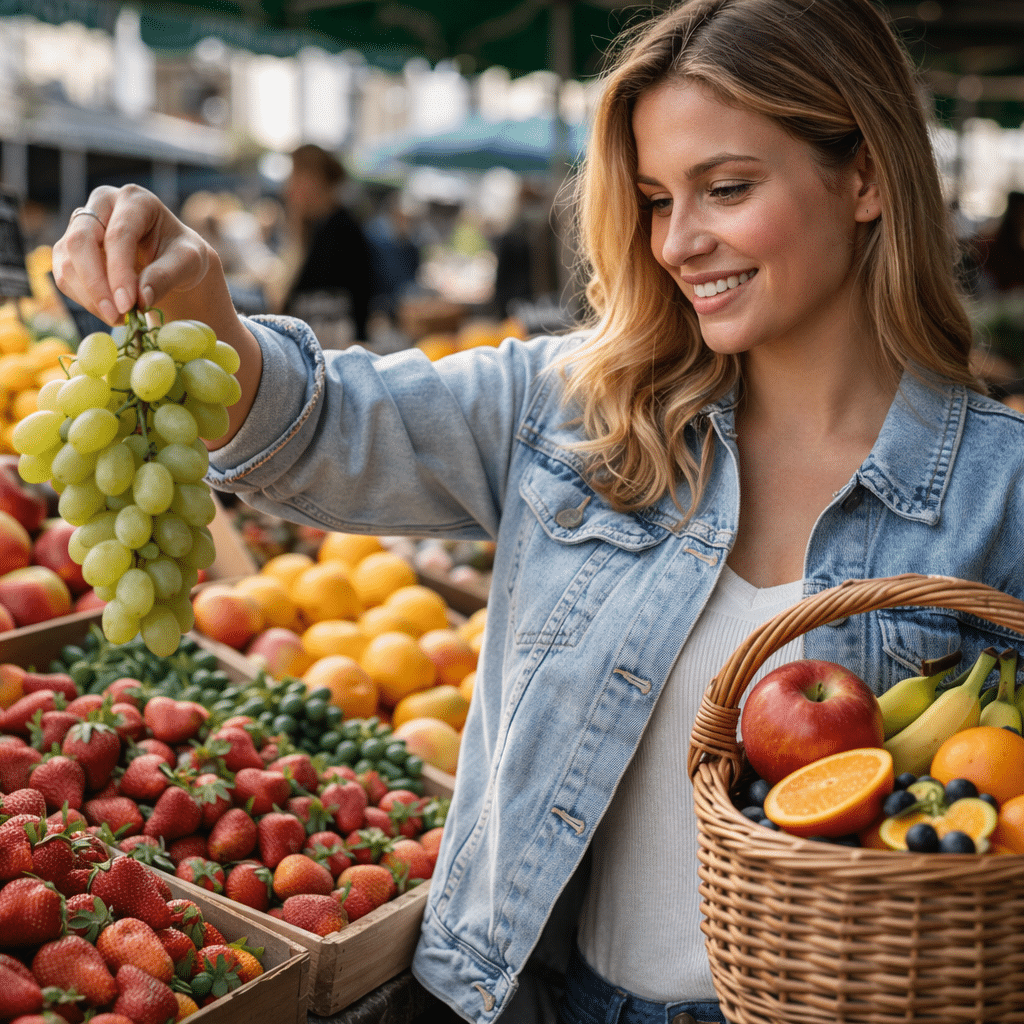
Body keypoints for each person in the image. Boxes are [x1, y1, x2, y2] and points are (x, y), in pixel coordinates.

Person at [50, 0, 1024, 1022]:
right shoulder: (580, 409)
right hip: (539, 998)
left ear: (864, 176)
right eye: (654, 199)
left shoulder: (997, 493)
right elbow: (328, 426)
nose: (680, 241)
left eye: (725, 189)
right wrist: (206, 310)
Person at [278, 143, 373, 343]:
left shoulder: (341, 231)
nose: (288, 189)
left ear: (314, 179)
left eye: (294, 177)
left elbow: (286, 297)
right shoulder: (320, 228)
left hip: (330, 349)